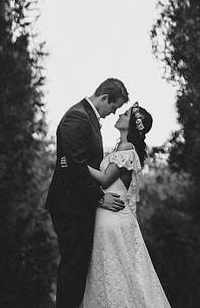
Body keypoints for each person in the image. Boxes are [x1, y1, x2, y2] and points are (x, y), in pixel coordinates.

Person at [45, 78, 130, 308]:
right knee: (73, 268)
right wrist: (100, 198)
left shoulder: (86, 117)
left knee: (78, 267)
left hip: (78, 205)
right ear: (104, 98)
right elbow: (73, 164)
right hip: (70, 206)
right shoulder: (77, 117)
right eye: (113, 107)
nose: (113, 113)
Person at [81, 102, 171, 307]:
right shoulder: (121, 148)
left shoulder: (126, 148)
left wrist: (77, 163)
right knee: (117, 271)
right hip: (110, 212)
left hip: (112, 216)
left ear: (131, 124)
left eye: (126, 113)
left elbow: (104, 179)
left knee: (113, 269)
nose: (120, 114)